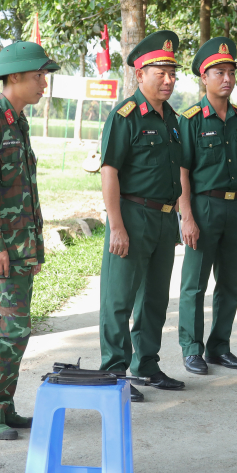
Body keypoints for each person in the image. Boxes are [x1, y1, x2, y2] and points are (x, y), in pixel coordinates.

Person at [0, 41, 59, 440]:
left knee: (8, 331)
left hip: (18, 247)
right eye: (38, 76)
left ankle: (1, 405)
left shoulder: (17, 121)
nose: (44, 83)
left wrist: (33, 245)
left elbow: (26, 190)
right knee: (7, 331)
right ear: (15, 77)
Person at [98, 30, 185, 400]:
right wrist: (116, 224)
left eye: (172, 72)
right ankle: (114, 372)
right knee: (119, 298)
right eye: (160, 72)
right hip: (132, 216)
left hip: (165, 219)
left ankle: (146, 365)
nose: (168, 79)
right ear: (140, 74)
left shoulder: (173, 120)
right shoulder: (125, 115)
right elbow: (109, 171)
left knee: (154, 298)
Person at [177, 37, 237, 375]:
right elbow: (182, 171)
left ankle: (220, 347)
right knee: (195, 283)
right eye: (219, 73)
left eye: (230, 73)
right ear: (204, 77)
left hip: (236, 210)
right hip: (203, 207)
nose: (226, 79)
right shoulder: (191, 119)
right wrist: (187, 216)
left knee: (230, 282)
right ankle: (192, 348)